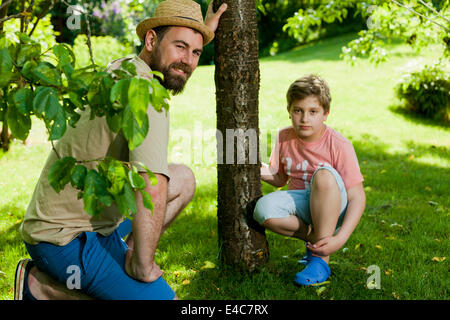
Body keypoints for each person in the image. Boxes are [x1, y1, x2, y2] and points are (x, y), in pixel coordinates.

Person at [14, 0, 227, 300]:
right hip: (63, 241)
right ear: (151, 40)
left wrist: (202, 32)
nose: (188, 61)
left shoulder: (126, 67)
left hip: (86, 216)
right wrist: (143, 266)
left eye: (195, 52)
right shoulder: (147, 94)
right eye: (180, 46)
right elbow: (151, 185)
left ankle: (118, 263)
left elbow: (155, 182)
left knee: (184, 180)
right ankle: (43, 289)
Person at [253, 74, 366, 286]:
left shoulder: (338, 144)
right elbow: (279, 178)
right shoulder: (284, 137)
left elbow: (357, 197)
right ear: (289, 111)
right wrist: (252, 167)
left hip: (332, 204)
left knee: (323, 174)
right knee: (262, 210)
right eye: (298, 111)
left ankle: (320, 261)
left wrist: (340, 238)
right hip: (302, 205)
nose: (305, 119)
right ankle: (316, 239)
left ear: (325, 114)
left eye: (313, 112)